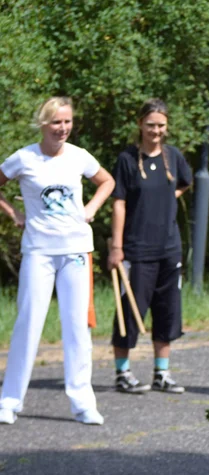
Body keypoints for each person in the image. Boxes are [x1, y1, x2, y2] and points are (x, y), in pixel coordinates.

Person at [0, 97, 115, 425]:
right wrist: (14, 214)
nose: (62, 128)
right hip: (38, 251)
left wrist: (91, 209)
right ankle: (9, 401)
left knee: (78, 326)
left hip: (75, 251)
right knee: (28, 323)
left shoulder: (79, 156)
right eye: (56, 123)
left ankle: (82, 402)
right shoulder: (24, 158)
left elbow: (107, 181)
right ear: (43, 124)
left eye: (67, 122)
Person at [109, 98, 193, 394]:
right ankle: (123, 373)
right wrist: (116, 247)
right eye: (150, 125)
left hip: (169, 249)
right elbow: (118, 202)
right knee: (129, 314)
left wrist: (166, 202)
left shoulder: (174, 156)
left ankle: (162, 373)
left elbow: (184, 183)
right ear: (140, 125)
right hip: (136, 250)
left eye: (160, 125)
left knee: (168, 312)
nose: (155, 130)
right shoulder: (127, 160)